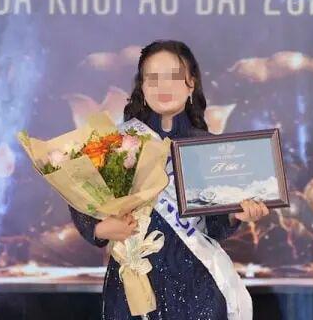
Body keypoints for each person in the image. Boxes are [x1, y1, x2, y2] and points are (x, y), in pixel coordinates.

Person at [69, 40, 269, 319]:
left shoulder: (210, 149)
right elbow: (81, 198)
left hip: (197, 287)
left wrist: (236, 214)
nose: (163, 86)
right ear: (142, 86)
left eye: (174, 77)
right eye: (153, 78)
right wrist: (101, 229)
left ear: (191, 84)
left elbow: (214, 227)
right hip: (134, 286)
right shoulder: (117, 142)